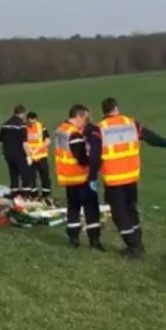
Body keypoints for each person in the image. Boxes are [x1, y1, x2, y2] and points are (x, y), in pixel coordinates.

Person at [88, 97, 166, 258]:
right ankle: (138, 243)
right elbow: (148, 135)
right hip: (131, 177)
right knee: (131, 210)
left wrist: (92, 177)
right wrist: (164, 143)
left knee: (119, 214)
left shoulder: (99, 129)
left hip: (114, 180)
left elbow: (94, 156)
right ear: (116, 108)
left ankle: (133, 246)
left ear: (104, 111)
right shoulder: (131, 123)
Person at [53, 104, 104, 250]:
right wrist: (93, 159)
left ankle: (73, 238)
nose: (86, 122)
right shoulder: (74, 134)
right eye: (85, 118)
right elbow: (81, 157)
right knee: (91, 208)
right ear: (78, 116)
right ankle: (94, 240)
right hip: (80, 177)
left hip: (67, 177)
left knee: (73, 208)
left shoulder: (60, 129)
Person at [0, 104, 32, 198]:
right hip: (19, 154)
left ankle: (14, 195)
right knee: (25, 175)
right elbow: (24, 143)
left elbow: (0, 141)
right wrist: (28, 156)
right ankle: (26, 196)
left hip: (8, 154)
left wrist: (2, 153)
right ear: (23, 113)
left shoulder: (5, 124)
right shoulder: (22, 126)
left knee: (13, 175)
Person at [25, 112, 52, 200]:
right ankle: (34, 195)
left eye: (34, 122)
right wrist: (29, 152)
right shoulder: (24, 128)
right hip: (30, 157)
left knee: (45, 176)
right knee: (31, 177)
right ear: (27, 120)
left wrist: (38, 149)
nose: (32, 124)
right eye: (31, 122)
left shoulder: (41, 126)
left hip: (41, 156)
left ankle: (46, 194)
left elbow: (48, 141)